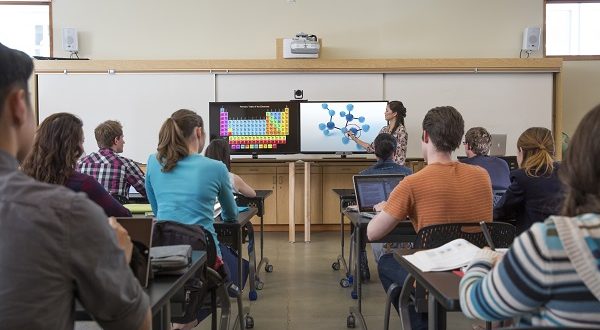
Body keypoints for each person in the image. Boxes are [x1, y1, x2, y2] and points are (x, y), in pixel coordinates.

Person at [0, 43, 150, 329]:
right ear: (18, 107)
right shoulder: (69, 208)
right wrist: (120, 257)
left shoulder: (74, 177)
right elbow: (134, 322)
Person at [460, 104, 600, 327]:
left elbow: (474, 302)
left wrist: (482, 259)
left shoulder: (545, 243)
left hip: (525, 260)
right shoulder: (556, 174)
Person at [367, 106, 492, 330]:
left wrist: (388, 208)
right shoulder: (482, 176)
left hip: (431, 277)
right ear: (458, 139)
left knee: (387, 262)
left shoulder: (413, 183)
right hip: (475, 273)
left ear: (425, 136)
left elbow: (372, 233)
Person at [145, 109, 240, 329]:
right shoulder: (216, 167)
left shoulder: (152, 161)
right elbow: (231, 214)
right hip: (202, 254)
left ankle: (181, 318)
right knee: (236, 266)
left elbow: (158, 210)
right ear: (198, 132)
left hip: (161, 251)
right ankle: (188, 319)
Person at [21, 113, 131, 217]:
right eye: (81, 142)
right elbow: (123, 215)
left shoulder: (18, 182)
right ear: (72, 147)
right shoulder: (83, 183)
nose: (82, 148)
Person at [357, 133, 412, 280]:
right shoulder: (409, 174)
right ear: (395, 152)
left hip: (375, 227)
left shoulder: (364, 175)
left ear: (375, 152)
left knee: (357, 232)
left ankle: (362, 267)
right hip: (405, 228)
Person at [494, 127, 563, 234]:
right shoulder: (567, 173)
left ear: (521, 151)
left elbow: (500, 212)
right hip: (566, 243)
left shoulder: (523, 178)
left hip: (533, 244)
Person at [77, 119, 146, 202]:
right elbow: (148, 190)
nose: (124, 141)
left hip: (88, 213)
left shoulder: (80, 163)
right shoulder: (125, 164)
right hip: (116, 214)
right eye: (122, 138)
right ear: (116, 140)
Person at [347, 101, 408, 165]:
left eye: (387, 111)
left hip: (395, 170)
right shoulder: (384, 129)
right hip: (382, 167)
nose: (384, 113)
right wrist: (354, 138)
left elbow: (400, 157)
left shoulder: (401, 131)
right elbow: (371, 148)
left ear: (394, 113)